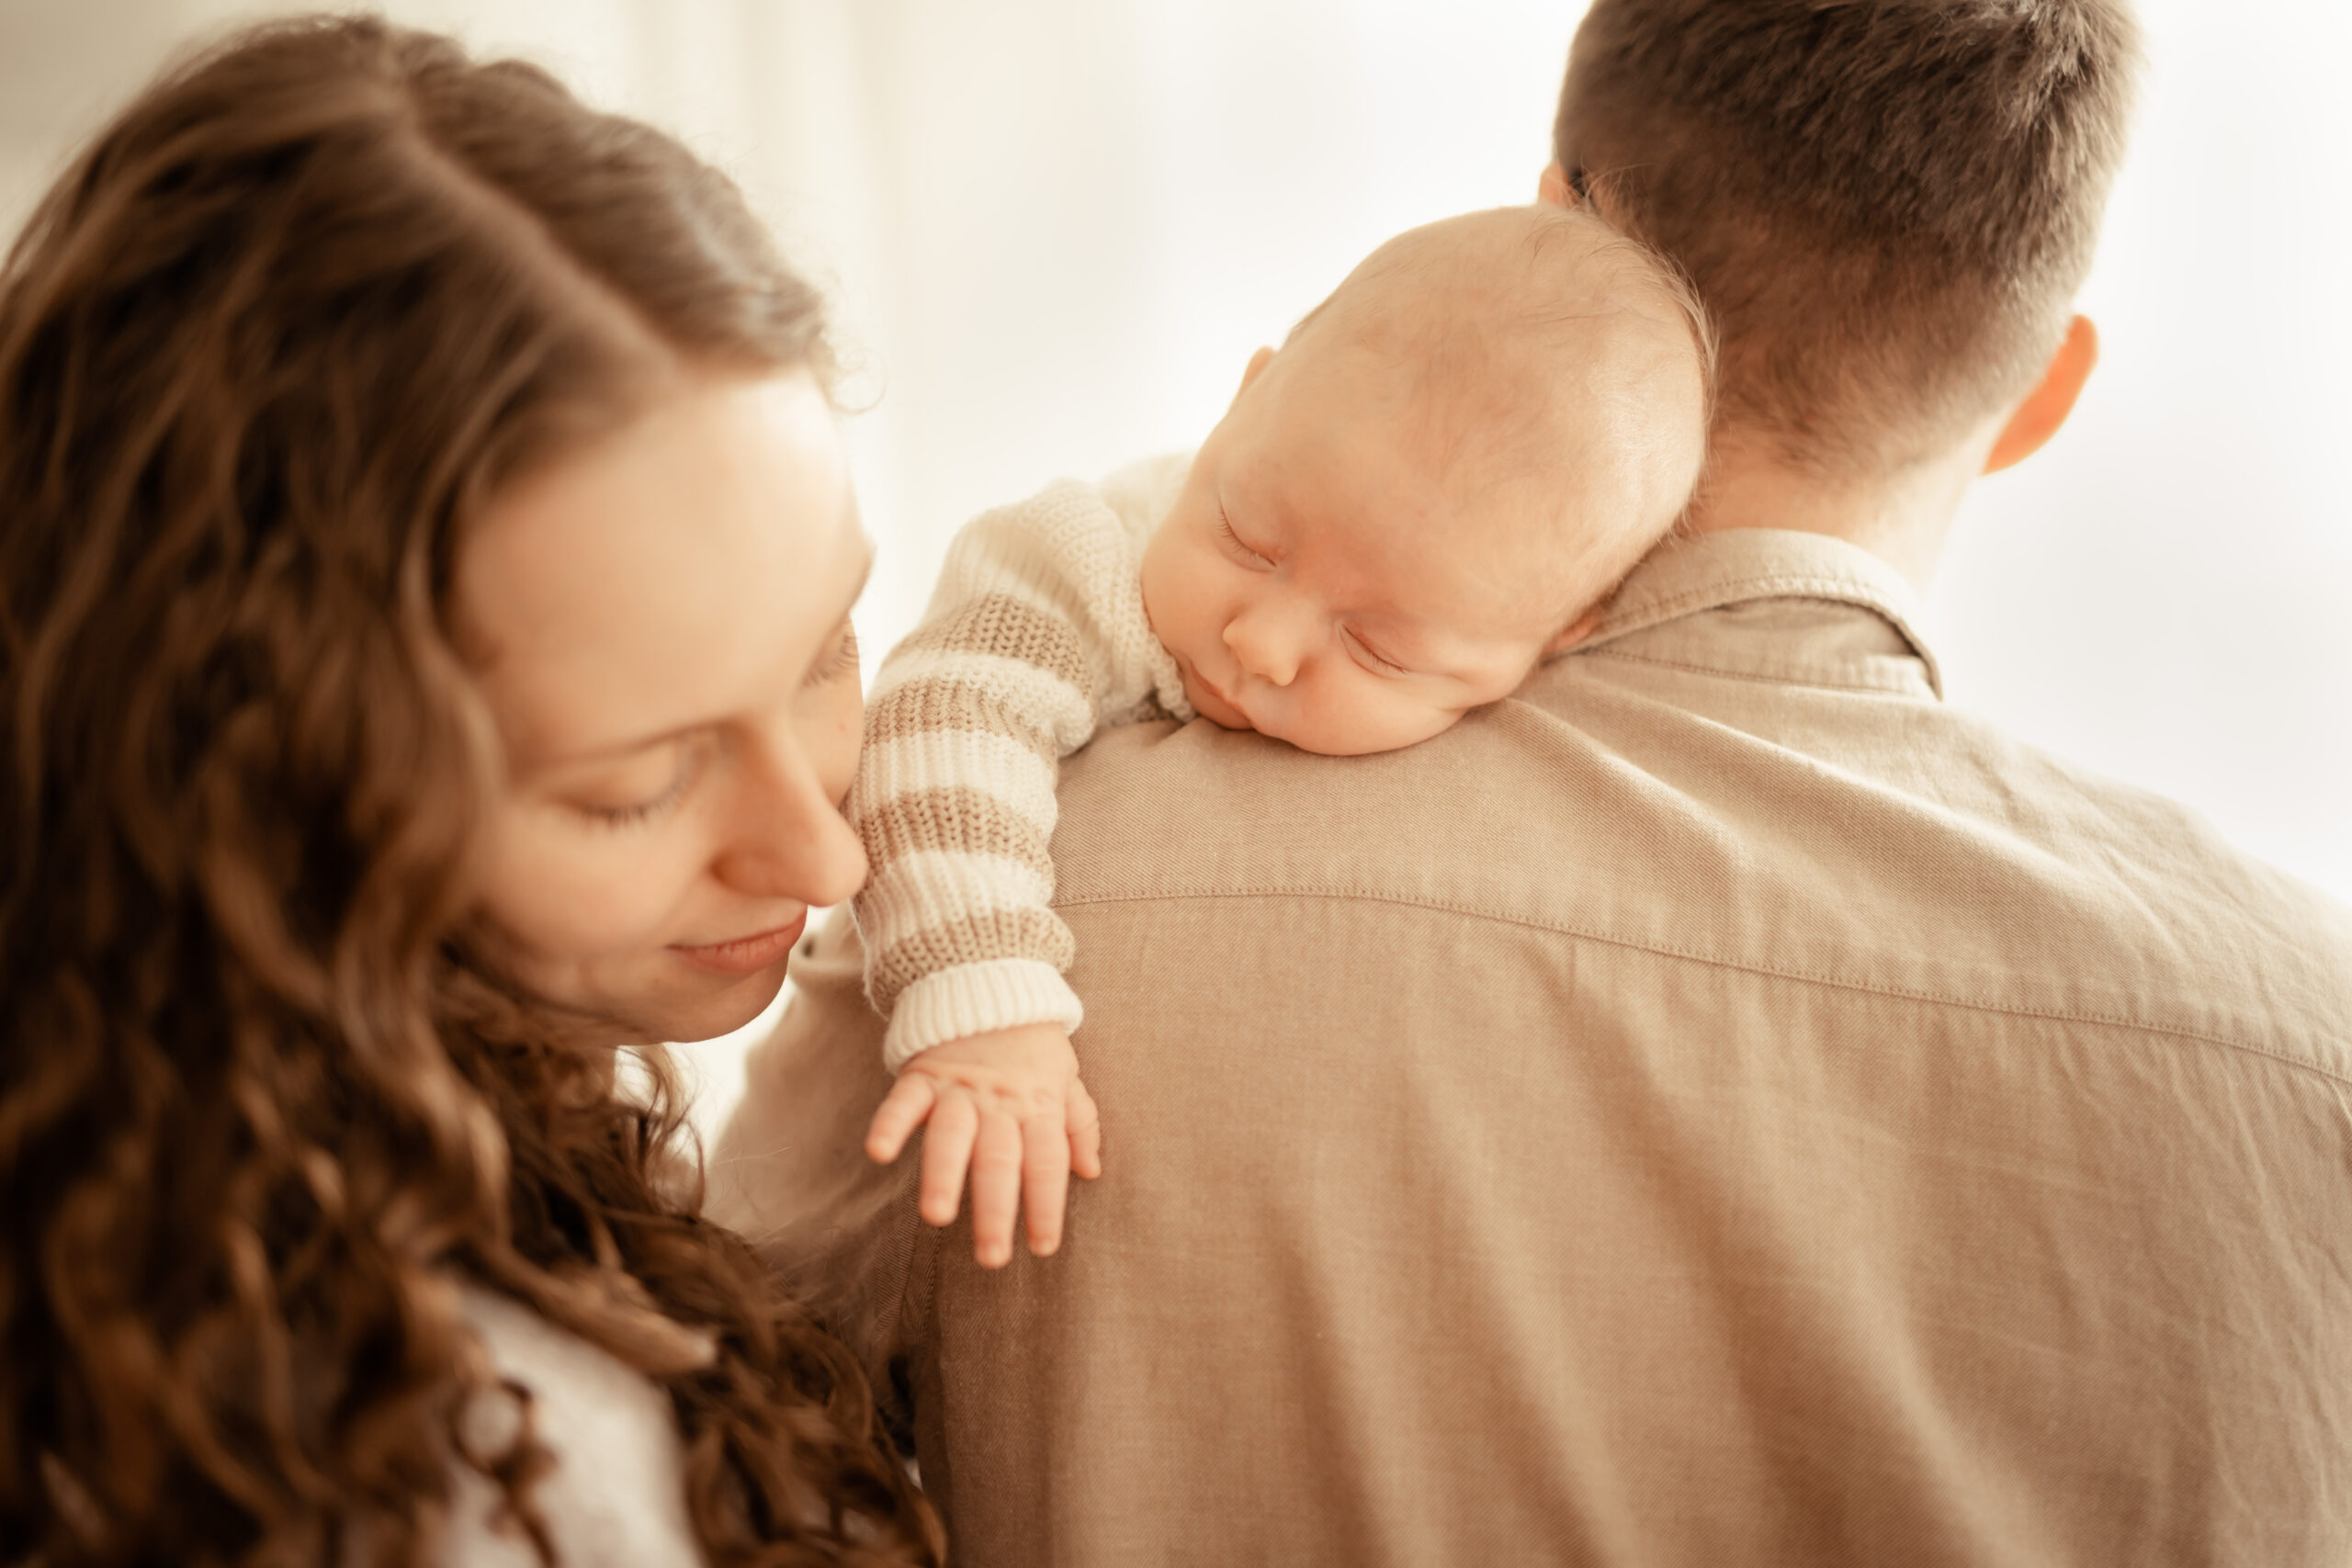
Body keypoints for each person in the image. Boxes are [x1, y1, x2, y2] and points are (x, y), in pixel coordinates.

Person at [712, 0, 2352, 1563]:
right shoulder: (2306, 1048)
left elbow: (712, 1394)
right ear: (2039, 395)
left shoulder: (1000, 884)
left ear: (1560, 210)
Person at [0, 17, 940, 1566]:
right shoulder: (441, 1461)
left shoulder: (454, 1142)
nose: (831, 853)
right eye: (635, 785)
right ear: (260, 787)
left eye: (826, 647)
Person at [853, 203, 1711, 1267]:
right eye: (1247, 539)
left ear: (1554, 641)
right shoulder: (1074, 562)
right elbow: (944, 722)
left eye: (1380, 649)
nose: (1260, 644)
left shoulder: (1575, 710)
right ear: (1244, 399)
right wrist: (981, 1008)